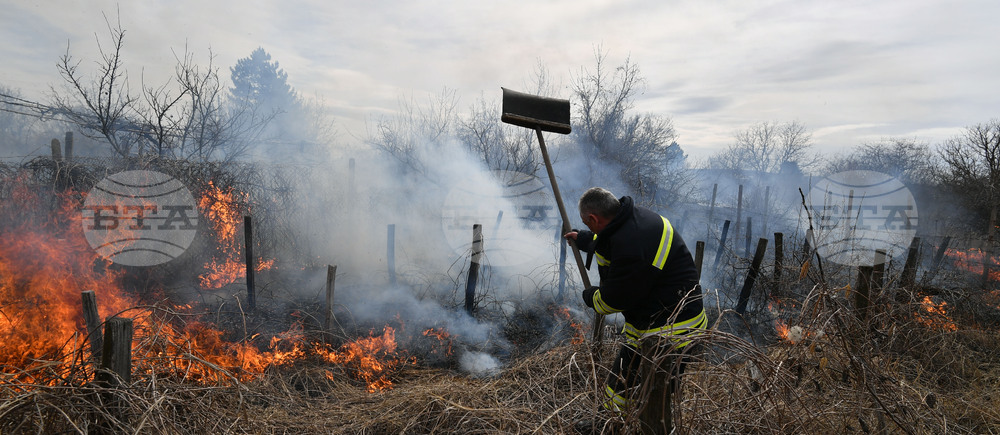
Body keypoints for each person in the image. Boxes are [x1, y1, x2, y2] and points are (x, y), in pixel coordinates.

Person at [565, 187, 705, 425]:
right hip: (653, 319)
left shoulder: (631, 244)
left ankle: (638, 427)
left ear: (593, 218)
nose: (589, 229)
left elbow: (613, 300)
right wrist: (586, 240)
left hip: (672, 330)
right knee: (624, 381)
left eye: (587, 226)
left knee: (654, 397)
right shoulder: (630, 219)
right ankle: (611, 423)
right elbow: (607, 239)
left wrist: (590, 297)